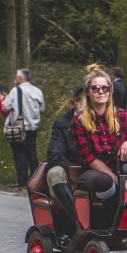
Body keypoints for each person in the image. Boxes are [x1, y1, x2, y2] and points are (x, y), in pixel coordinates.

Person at [70, 64, 127, 211]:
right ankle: (115, 213)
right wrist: (113, 177)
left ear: (110, 91)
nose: (101, 91)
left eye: (105, 88)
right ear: (88, 92)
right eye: (95, 88)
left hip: (118, 164)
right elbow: (88, 157)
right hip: (93, 170)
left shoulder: (122, 115)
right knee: (104, 180)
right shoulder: (79, 121)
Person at [44, 85, 84, 243]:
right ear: (72, 103)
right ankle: (78, 224)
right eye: (79, 100)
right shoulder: (62, 123)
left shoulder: (101, 121)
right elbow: (54, 155)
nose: (83, 104)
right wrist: (75, 170)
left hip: (94, 172)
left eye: (87, 100)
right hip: (68, 173)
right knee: (55, 173)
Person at [0, 69, 45, 187]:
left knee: (19, 153)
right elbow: (42, 108)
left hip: (19, 128)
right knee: (31, 153)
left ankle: (22, 181)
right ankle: (35, 180)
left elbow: (5, 108)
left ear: (20, 78)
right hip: (32, 128)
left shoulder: (15, 90)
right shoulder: (37, 91)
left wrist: (1, 100)